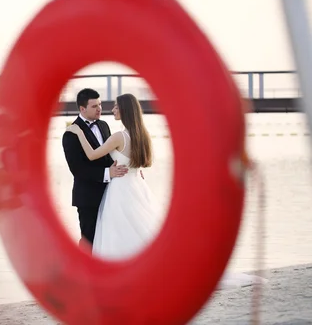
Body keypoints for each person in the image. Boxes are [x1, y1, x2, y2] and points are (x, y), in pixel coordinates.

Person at [66, 93, 267, 288]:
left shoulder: (118, 135)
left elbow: (92, 155)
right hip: (134, 185)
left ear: (125, 110)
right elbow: (137, 162)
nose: (111, 109)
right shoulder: (141, 134)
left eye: (116, 106)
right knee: (135, 228)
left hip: (120, 188)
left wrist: (78, 132)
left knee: (118, 231)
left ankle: (117, 274)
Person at [62, 88, 128, 251]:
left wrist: (127, 168)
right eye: (94, 106)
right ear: (82, 109)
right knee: (89, 241)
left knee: (108, 238)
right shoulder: (71, 133)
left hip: (111, 194)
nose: (100, 108)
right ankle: (82, 274)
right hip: (87, 198)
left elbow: (110, 155)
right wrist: (107, 173)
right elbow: (77, 169)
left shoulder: (104, 126)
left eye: (100, 104)